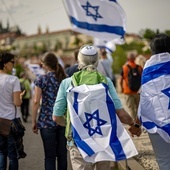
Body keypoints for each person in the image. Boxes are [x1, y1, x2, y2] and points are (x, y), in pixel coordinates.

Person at [53, 45, 142, 170]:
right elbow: (121, 113)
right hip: (102, 140)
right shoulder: (105, 82)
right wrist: (134, 125)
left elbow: (56, 117)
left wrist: (70, 124)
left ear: (79, 61)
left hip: (78, 141)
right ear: (97, 61)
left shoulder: (67, 83)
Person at [136, 33, 170, 170]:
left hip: (156, 123)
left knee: (164, 162)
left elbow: (145, 98)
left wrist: (137, 123)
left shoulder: (148, 69)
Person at [31, 52, 67, 170]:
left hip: (46, 121)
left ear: (44, 65)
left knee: (50, 156)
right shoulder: (64, 78)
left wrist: (33, 121)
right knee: (62, 155)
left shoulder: (41, 79)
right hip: (63, 120)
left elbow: (36, 101)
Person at [0, 51, 25, 170]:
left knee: (1, 153)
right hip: (10, 120)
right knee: (12, 155)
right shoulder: (13, 79)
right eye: (12, 62)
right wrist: (19, 97)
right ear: (5, 63)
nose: (13, 65)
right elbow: (17, 103)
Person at [120, 52, 143, 120]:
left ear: (128, 59)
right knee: (139, 109)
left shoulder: (124, 67)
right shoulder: (139, 67)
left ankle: (135, 124)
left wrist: (122, 89)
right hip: (137, 91)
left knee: (131, 109)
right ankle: (140, 122)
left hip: (128, 92)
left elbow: (121, 79)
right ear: (135, 58)